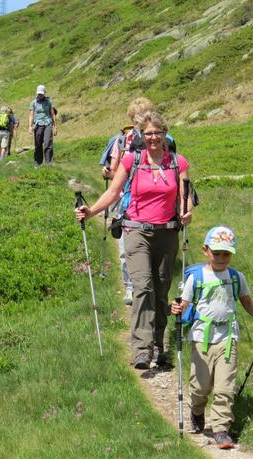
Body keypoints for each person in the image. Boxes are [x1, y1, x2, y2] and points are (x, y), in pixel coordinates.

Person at [76, 110, 192, 370]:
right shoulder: (131, 160)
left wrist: (187, 213)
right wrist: (91, 211)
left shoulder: (177, 162)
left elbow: (185, 196)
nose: (153, 138)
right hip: (136, 229)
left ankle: (159, 344)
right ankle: (141, 348)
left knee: (162, 291)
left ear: (165, 134)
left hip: (168, 231)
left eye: (157, 133)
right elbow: (115, 192)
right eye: (148, 133)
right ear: (142, 135)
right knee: (143, 287)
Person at [170, 225, 253, 449]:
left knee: (225, 387)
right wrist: (176, 308)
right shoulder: (196, 277)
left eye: (226, 254)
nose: (221, 258)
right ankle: (197, 410)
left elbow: (246, 301)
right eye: (216, 253)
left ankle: (221, 429)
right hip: (202, 337)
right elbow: (184, 303)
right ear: (206, 250)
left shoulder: (236, 277)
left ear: (232, 253)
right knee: (200, 387)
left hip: (228, 337)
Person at [101, 97, 157, 306]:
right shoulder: (123, 141)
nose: (139, 122)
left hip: (153, 203)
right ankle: (130, 287)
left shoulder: (161, 139)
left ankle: (145, 286)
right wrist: (110, 172)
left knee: (150, 249)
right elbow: (116, 170)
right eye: (135, 118)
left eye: (142, 117)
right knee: (126, 249)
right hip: (127, 201)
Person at [28, 85, 57, 167]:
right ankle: (37, 163)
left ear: (44, 93)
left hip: (47, 123)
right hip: (37, 124)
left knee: (48, 143)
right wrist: (30, 126)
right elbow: (31, 115)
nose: (40, 95)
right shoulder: (33, 102)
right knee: (38, 144)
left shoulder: (49, 102)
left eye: (41, 94)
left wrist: (55, 127)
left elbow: (53, 114)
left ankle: (48, 163)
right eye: (38, 94)